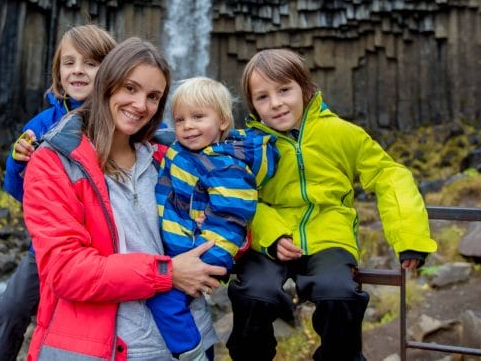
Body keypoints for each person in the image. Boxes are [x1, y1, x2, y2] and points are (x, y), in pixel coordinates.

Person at [226, 49, 438, 361]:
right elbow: (237, 194)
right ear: (253, 106)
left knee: (338, 293)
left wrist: (410, 240)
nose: (276, 103)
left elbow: (389, 175)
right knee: (254, 294)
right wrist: (271, 235)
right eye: (262, 97)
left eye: (284, 90)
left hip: (329, 236)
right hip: (269, 239)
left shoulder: (341, 133)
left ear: (305, 88)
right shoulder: (248, 144)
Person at [23, 38, 226, 361]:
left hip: (193, 340)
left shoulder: (169, 157)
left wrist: (217, 231)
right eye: (130, 88)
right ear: (107, 83)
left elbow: (235, 217)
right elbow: (65, 270)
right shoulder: (54, 162)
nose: (141, 105)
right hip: (108, 349)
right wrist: (166, 273)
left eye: (153, 96)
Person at [0, 24, 116, 361]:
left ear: (111, 69)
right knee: (9, 311)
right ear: (58, 70)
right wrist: (17, 161)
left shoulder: (116, 119)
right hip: (48, 245)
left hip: (105, 245)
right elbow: (19, 192)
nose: (78, 71)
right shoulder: (40, 124)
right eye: (69, 63)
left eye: (90, 63)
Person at [149, 77, 277, 360]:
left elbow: (231, 218)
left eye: (198, 117)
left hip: (202, 253)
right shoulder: (185, 151)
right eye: (179, 119)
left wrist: (205, 262)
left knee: (164, 301)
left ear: (222, 121)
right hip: (180, 248)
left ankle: (191, 354)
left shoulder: (226, 165)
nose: (187, 126)